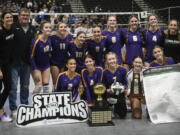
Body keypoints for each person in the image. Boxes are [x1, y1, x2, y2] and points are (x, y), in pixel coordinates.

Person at [9, 8, 36, 118]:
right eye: (23, 15)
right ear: (18, 16)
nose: (25, 17)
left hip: (26, 63)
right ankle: (13, 108)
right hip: (13, 63)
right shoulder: (12, 27)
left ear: (29, 16)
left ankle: (24, 106)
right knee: (13, 87)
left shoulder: (33, 29)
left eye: (27, 15)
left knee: (25, 86)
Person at [103, 52, 127, 118]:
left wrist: (122, 88)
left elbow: (125, 83)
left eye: (113, 59)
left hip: (120, 95)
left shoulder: (123, 70)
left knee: (122, 115)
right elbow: (103, 86)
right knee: (106, 116)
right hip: (109, 95)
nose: (112, 61)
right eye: (109, 59)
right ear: (107, 61)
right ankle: (110, 107)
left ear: (116, 59)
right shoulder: (104, 72)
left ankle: (117, 108)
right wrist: (107, 90)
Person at [30, 21, 52, 94]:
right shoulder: (36, 41)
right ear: (42, 30)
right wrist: (34, 69)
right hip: (36, 67)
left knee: (46, 88)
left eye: (50, 27)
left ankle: (45, 105)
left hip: (46, 66)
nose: (48, 29)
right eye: (46, 27)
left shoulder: (49, 39)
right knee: (38, 87)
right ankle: (34, 104)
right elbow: (31, 56)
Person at [50, 22, 74, 89]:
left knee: (63, 82)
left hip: (64, 61)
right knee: (56, 82)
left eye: (65, 27)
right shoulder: (52, 37)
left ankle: (63, 96)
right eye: (61, 27)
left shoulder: (70, 37)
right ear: (57, 29)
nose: (63, 28)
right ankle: (55, 94)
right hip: (54, 62)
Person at [0, 11, 14, 122]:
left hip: (7, 64)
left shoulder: (13, 29)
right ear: (2, 19)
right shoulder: (0, 32)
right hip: (0, 65)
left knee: (8, 86)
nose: (9, 18)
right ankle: (1, 112)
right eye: (7, 17)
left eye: (10, 17)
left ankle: (0, 110)